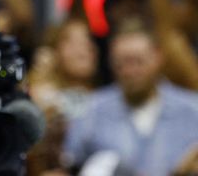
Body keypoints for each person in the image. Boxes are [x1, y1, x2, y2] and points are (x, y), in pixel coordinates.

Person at [62, 21, 198, 175]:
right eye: (123, 63)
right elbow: (69, 166)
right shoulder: (91, 111)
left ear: (157, 57)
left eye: (139, 61)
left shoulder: (193, 111)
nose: (131, 71)